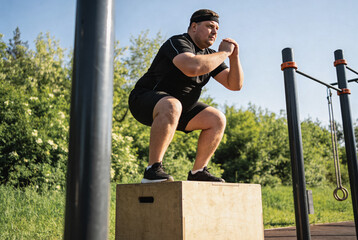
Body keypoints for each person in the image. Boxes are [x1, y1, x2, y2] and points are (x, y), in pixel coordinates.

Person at [128, 9, 243, 183]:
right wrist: (224, 53)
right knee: (173, 105)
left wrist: (234, 58)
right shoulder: (178, 42)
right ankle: (152, 169)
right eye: (210, 26)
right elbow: (192, 67)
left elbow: (234, 85)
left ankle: (198, 171)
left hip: (179, 110)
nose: (214, 32)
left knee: (216, 119)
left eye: (217, 29)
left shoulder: (210, 55)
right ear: (194, 27)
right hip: (144, 100)